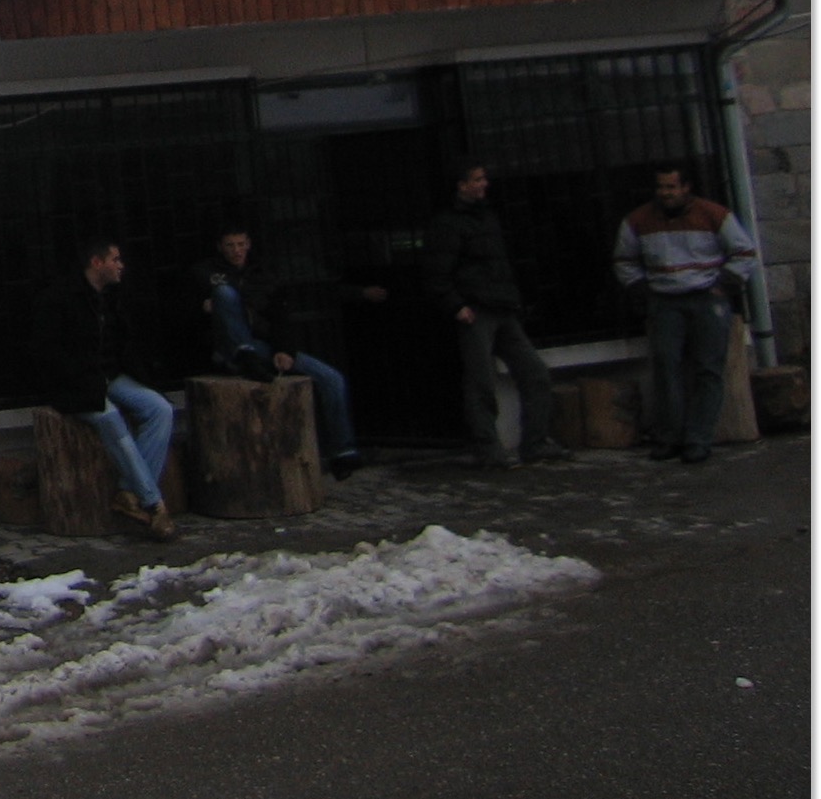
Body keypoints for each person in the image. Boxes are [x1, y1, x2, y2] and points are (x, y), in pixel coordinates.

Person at [191, 229, 383, 479]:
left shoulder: (263, 276)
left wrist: (285, 350)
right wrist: (203, 308)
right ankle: (244, 354)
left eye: (240, 244)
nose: (236, 251)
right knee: (224, 295)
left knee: (331, 378)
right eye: (230, 245)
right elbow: (186, 316)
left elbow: (280, 318)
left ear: (248, 244)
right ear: (220, 247)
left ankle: (343, 451)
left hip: (265, 346)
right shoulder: (205, 274)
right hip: (227, 347)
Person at [423, 162, 572, 469]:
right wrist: (456, 306)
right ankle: (488, 447)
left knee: (534, 373)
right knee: (482, 382)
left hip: (499, 306)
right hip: (477, 309)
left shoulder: (485, 217)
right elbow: (437, 273)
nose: (484, 184)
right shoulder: (449, 224)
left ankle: (534, 441)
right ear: (461, 185)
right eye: (477, 179)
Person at [33, 233, 176, 540]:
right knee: (110, 419)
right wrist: (81, 378)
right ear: (97, 262)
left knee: (160, 409)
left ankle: (128, 492)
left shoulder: (111, 298)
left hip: (109, 377)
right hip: (75, 384)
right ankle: (154, 504)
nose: (120, 266)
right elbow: (49, 350)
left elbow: (122, 345)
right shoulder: (60, 298)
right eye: (115, 260)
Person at [613, 163, 757, 465]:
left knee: (708, 369)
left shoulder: (713, 215)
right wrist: (644, 289)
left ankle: (698, 439)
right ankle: (669, 438)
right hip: (664, 300)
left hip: (706, 297)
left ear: (686, 187)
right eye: (661, 187)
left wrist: (722, 284)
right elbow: (624, 260)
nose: (665, 193)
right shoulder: (639, 220)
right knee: (666, 367)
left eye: (671, 187)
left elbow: (744, 252)